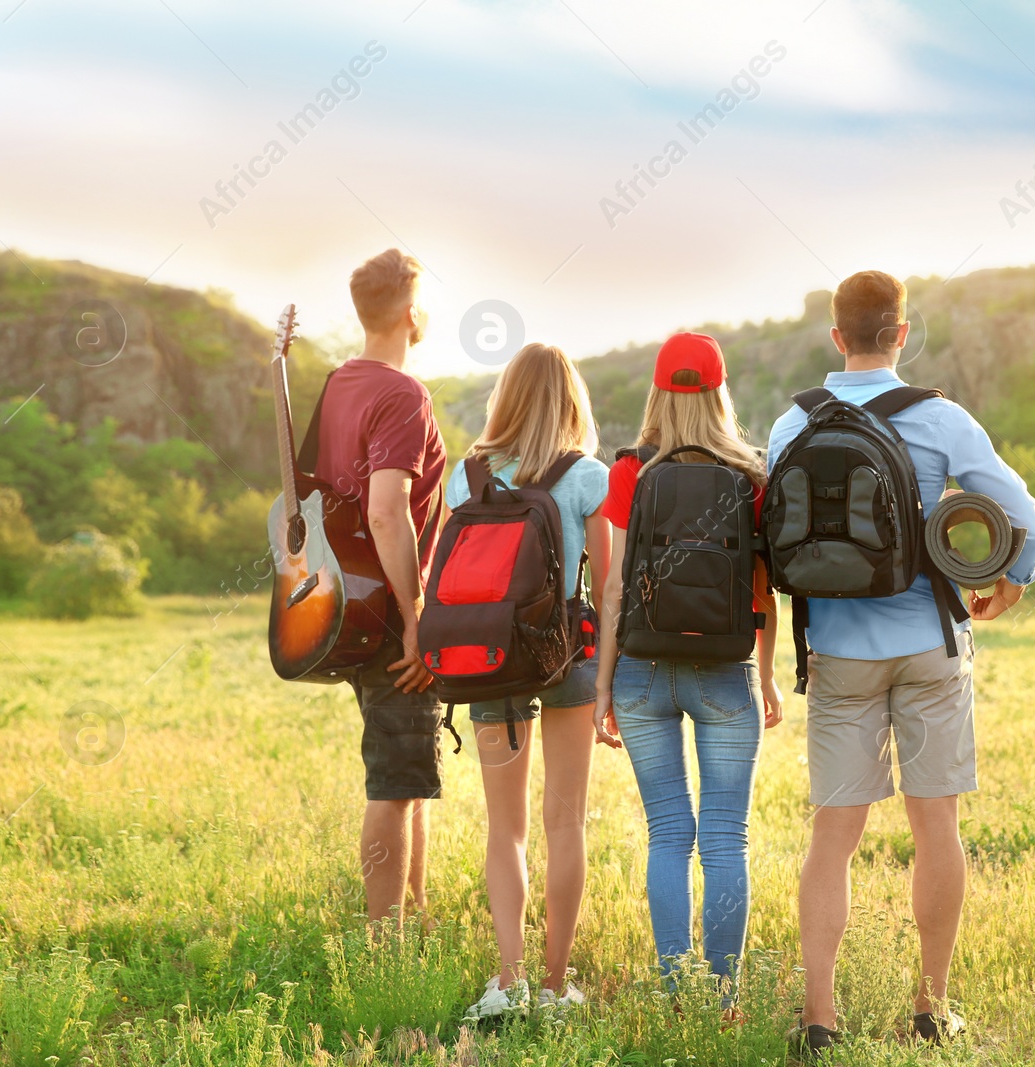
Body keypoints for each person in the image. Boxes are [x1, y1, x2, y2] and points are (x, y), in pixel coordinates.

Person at [766, 271, 1035, 1055]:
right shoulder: (940, 417)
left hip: (837, 651)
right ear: (900, 332)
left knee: (833, 835)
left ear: (835, 336)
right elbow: (1027, 517)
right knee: (936, 825)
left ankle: (819, 1021)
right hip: (928, 642)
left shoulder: (792, 424)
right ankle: (931, 1005)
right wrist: (1011, 582)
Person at [592, 332, 784, 1011]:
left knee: (670, 832)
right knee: (726, 834)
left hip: (643, 670)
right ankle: (725, 998)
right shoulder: (750, 475)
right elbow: (761, 591)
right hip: (724, 675)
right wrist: (765, 675)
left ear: (656, 392)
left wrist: (603, 686)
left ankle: (677, 994)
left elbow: (613, 590)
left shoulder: (630, 472)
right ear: (718, 393)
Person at [444, 344, 613, 1020]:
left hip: (488, 657)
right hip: (566, 654)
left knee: (505, 827)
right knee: (564, 819)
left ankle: (507, 982)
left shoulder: (467, 476)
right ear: (571, 399)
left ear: (504, 398)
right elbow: (606, 586)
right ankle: (554, 984)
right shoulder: (587, 476)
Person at [313, 248, 447, 929]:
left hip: (347, 602)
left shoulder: (341, 382)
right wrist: (416, 610)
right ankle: (383, 937)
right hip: (389, 608)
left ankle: (415, 911)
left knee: (409, 766)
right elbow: (386, 508)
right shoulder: (402, 394)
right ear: (409, 312)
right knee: (393, 780)